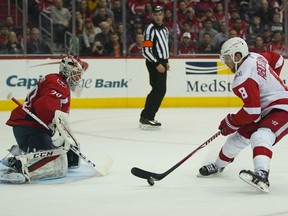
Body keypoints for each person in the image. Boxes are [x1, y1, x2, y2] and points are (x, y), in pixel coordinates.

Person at [198, 37, 288, 192]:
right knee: (236, 139)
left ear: (237, 56)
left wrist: (231, 122)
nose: (225, 62)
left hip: (282, 107)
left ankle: (262, 174)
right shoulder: (256, 57)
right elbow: (278, 59)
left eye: (227, 58)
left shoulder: (243, 78)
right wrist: (272, 80)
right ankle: (218, 166)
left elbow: (252, 111)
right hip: (264, 109)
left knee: (261, 136)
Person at [0, 55, 85, 184]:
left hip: (29, 126)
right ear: (66, 71)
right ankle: (20, 166)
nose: (78, 78)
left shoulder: (58, 81)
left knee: (62, 150)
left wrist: (58, 129)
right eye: (75, 74)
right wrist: (53, 126)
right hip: (30, 127)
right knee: (54, 158)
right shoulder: (59, 83)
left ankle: (20, 156)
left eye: (79, 75)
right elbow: (45, 108)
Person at [139, 5, 169, 130]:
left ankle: (146, 115)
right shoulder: (150, 29)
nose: (158, 16)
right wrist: (157, 63)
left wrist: (166, 61)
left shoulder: (165, 29)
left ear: (163, 15)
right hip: (154, 62)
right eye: (155, 14)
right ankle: (148, 117)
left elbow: (164, 46)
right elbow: (146, 50)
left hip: (161, 62)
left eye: (160, 14)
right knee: (159, 90)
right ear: (152, 16)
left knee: (158, 90)